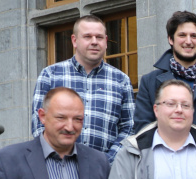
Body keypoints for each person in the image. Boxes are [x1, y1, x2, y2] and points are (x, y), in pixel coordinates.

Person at [31, 15, 134, 162]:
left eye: (99, 37)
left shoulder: (121, 80)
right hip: (57, 166)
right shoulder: (50, 75)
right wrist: (57, 157)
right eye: (87, 36)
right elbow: (38, 122)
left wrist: (107, 161)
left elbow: (129, 128)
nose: (94, 42)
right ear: (74, 41)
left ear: (105, 41)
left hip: (105, 173)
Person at [135, 11, 196, 143]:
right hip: (164, 157)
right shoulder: (149, 82)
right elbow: (142, 126)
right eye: (182, 35)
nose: (188, 41)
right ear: (170, 39)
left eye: (193, 36)